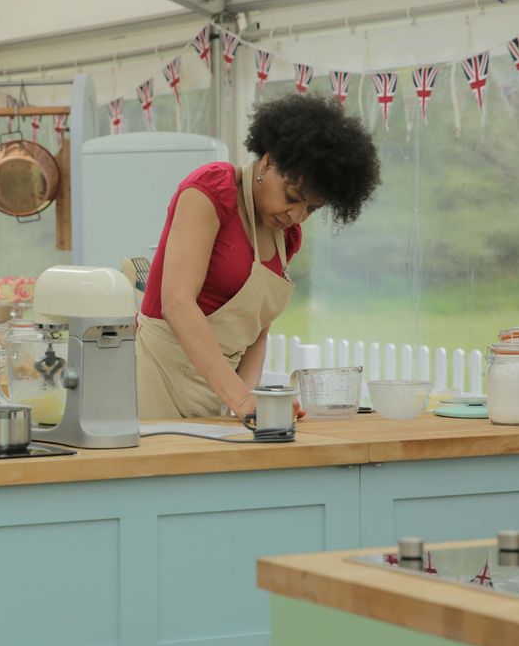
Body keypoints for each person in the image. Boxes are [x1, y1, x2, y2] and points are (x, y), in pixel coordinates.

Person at [136, 94, 381, 420]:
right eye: (292, 197)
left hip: (220, 391)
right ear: (267, 162)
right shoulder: (212, 189)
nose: (296, 215)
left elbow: (257, 335)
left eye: (311, 208)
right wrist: (240, 400)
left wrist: (249, 402)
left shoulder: (287, 238)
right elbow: (177, 304)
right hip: (156, 378)